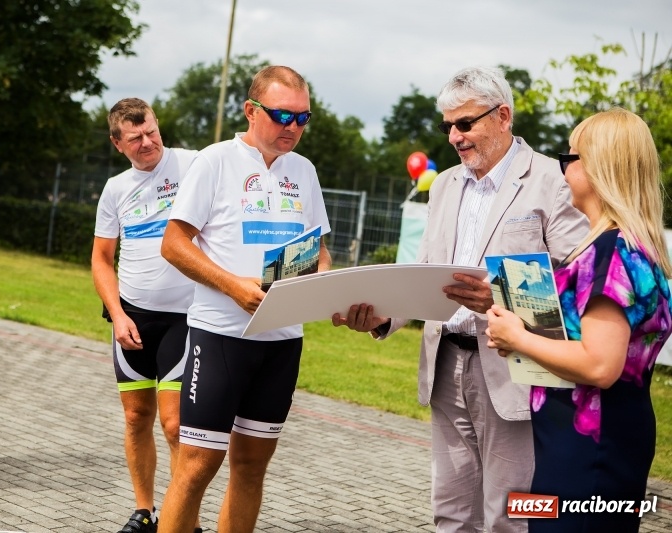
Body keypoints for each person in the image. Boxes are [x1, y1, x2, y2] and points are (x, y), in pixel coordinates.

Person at [332, 66, 588, 532]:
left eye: (465, 123)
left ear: (503, 116)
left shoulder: (554, 180)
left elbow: (578, 281)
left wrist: (502, 296)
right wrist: (381, 318)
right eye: (447, 125)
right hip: (445, 366)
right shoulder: (445, 184)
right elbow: (424, 273)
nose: (453, 137)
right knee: (450, 515)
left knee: (510, 517)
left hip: (513, 370)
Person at [158, 65, 332, 533]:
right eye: (282, 115)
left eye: (303, 118)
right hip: (220, 336)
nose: (293, 127)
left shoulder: (304, 170)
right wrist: (232, 285)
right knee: (197, 467)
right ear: (251, 111)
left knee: (252, 467)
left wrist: (327, 288)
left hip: (282, 341)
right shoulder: (214, 161)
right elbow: (173, 244)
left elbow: (318, 252)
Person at [485, 108, 672, 532]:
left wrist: (519, 338)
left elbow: (600, 365)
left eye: (570, 159)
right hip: (589, 440)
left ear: (601, 168)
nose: (563, 171)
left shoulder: (611, 252)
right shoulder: (626, 247)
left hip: (589, 450)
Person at [92, 98, 203, 533]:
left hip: (185, 317)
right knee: (136, 417)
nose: (147, 142)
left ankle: (184, 520)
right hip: (133, 317)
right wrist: (117, 314)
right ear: (117, 143)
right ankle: (145, 512)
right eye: (135, 137)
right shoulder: (115, 188)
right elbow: (102, 259)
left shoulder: (194, 165)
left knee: (175, 425)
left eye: (151, 131)